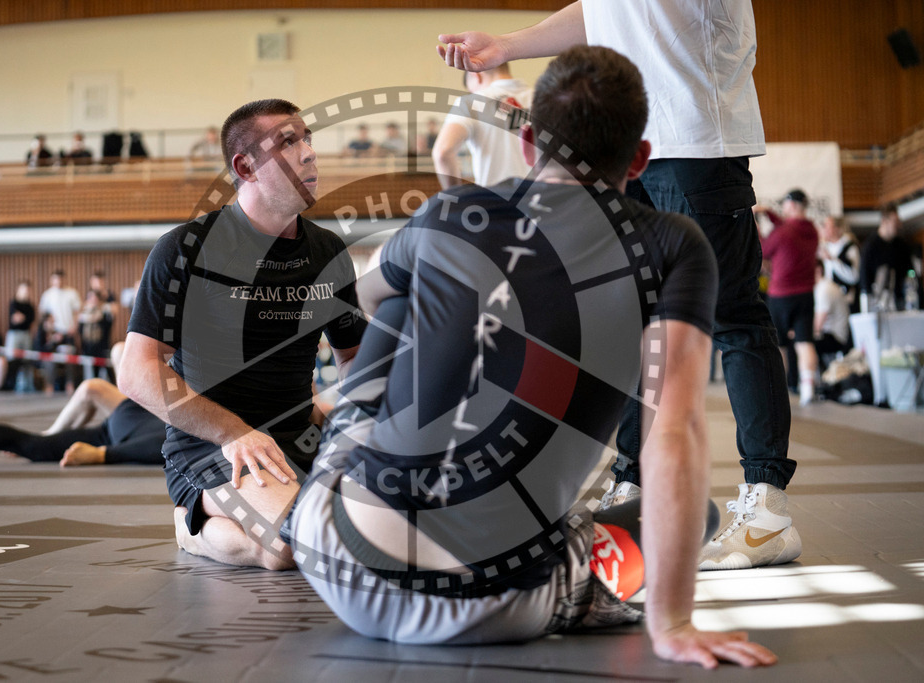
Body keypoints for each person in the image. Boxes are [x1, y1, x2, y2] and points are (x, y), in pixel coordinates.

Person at [290, 45, 775, 669]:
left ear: (525, 145)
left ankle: (359, 458)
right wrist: (673, 622)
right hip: (484, 606)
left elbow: (353, 302)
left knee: (397, 296)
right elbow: (673, 433)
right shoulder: (672, 246)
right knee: (696, 515)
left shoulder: (445, 211)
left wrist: (372, 415)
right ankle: (581, 575)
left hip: (337, 555)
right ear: (640, 160)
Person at [437, 1, 800, 572]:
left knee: (732, 318)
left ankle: (768, 510)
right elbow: (604, 11)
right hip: (626, 146)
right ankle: (631, 487)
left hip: (697, 139)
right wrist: (508, 45)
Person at [118, 98, 366, 571]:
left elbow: (354, 356)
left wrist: (350, 420)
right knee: (296, 543)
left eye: (308, 139)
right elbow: (136, 371)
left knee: (392, 515)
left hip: (302, 437)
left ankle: (236, 526)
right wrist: (233, 433)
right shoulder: (184, 250)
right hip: (213, 446)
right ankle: (193, 523)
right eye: (289, 143)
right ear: (245, 166)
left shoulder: (328, 251)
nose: (310, 153)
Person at [0, 367, 165, 467]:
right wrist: (102, 455)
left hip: (129, 424)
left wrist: (103, 451)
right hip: (133, 428)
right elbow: (164, 446)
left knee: (33, 447)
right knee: (34, 446)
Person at [757, 189, 820, 406]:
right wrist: (770, 214)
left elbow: (763, 250)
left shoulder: (783, 233)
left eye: (784, 206)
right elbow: (787, 226)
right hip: (806, 295)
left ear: (791, 206)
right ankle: (807, 388)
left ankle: (780, 391)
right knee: (805, 343)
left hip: (781, 296)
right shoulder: (812, 231)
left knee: (780, 345)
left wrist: (755, 227)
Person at [432, 63, 532, 189]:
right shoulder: (545, 98)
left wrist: (455, 199)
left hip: (495, 202)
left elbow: (443, 152)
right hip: (542, 200)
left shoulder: (470, 103)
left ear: (476, 75)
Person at [860, 203, 919, 311]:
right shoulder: (870, 246)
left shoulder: (901, 245)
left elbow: (910, 271)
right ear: (884, 221)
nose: (898, 225)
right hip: (878, 302)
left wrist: (911, 280)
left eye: (898, 222)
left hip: (899, 300)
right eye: (895, 222)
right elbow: (864, 278)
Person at [818, 215, 860, 312]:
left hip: (846, 299)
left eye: (826, 226)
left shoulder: (850, 247)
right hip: (828, 298)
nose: (823, 229)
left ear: (837, 228)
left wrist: (832, 260)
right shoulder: (824, 247)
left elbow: (854, 276)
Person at [813, 259, 851, 366]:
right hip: (830, 334)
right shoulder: (822, 287)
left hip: (836, 337)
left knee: (802, 343)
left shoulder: (824, 288)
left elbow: (817, 325)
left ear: (818, 270)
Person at [6, 280, 36, 391]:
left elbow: (30, 321)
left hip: (26, 334)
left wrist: (22, 318)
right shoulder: (14, 303)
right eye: (24, 289)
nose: (26, 292)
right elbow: (15, 319)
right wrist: (23, 318)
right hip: (14, 334)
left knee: (27, 360)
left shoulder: (30, 306)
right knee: (13, 360)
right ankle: (13, 385)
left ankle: (28, 385)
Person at [38, 269, 81, 339]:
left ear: (65, 279)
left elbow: (77, 312)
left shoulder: (72, 293)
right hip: (54, 331)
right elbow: (43, 313)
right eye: (56, 279)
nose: (58, 281)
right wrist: (49, 329)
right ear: (51, 280)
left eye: (60, 279)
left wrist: (74, 327)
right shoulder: (47, 295)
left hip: (69, 331)